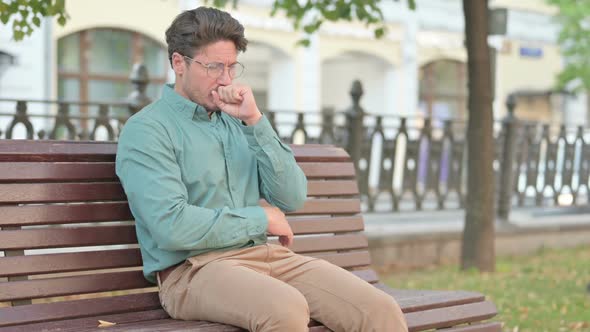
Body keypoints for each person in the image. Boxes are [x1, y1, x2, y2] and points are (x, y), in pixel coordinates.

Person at [116, 6, 408, 332]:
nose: (225, 79)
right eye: (214, 67)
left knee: (378, 309)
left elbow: (292, 196)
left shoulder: (237, 119)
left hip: (266, 257)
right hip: (192, 272)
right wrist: (261, 218)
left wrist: (255, 121)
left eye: (231, 67)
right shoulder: (148, 130)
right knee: (284, 308)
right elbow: (171, 225)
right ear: (179, 63)